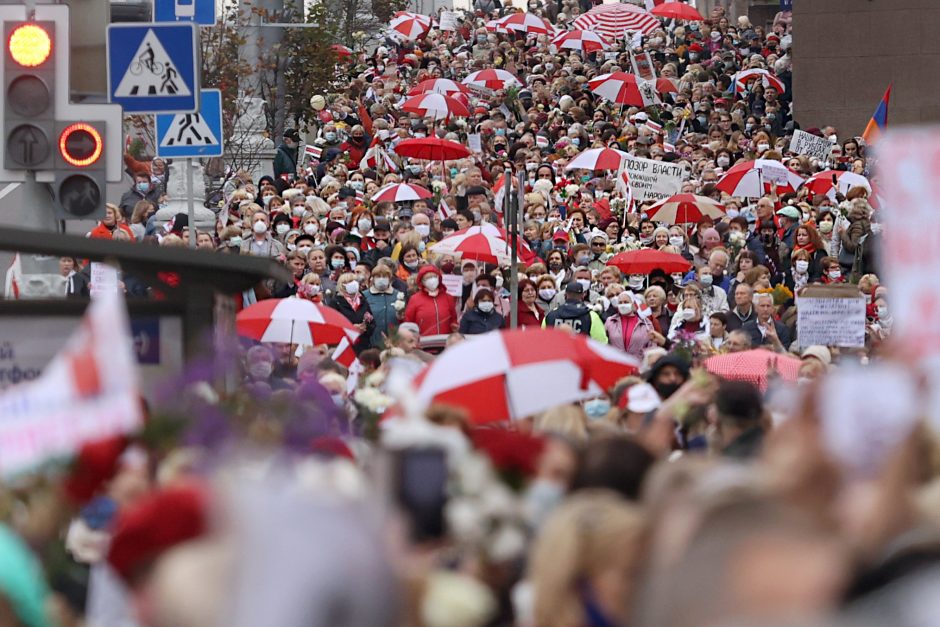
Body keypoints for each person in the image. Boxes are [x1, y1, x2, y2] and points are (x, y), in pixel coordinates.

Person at [543, 282, 608, 343]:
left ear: (565, 295)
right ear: (583, 295)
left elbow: (543, 339)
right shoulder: (591, 316)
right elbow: (601, 342)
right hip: (581, 354)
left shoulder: (551, 315)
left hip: (557, 354)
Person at [403, 265, 457, 336]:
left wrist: (455, 327)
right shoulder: (415, 299)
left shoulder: (448, 297)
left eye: (434, 276)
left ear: (439, 278)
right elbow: (408, 322)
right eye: (428, 278)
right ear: (422, 281)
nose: (432, 280)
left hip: (445, 342)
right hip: (423, 343)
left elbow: (453, 319)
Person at [604, 292, 659, 360]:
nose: (623, 305)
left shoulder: (646, 323)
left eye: (626, 302)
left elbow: (652, 346)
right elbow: (603, 342)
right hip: (615, 364)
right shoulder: (610, 321)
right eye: (620, 303)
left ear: (633, 304)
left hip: (638, 365)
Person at [364, 265, 404, 349]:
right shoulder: (364, 296)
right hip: (372, 344)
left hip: (395, 343)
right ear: (373, 278)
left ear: (390, 278)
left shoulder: (399, 295)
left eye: (385, 276)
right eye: (378, 276)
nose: (381, 279)